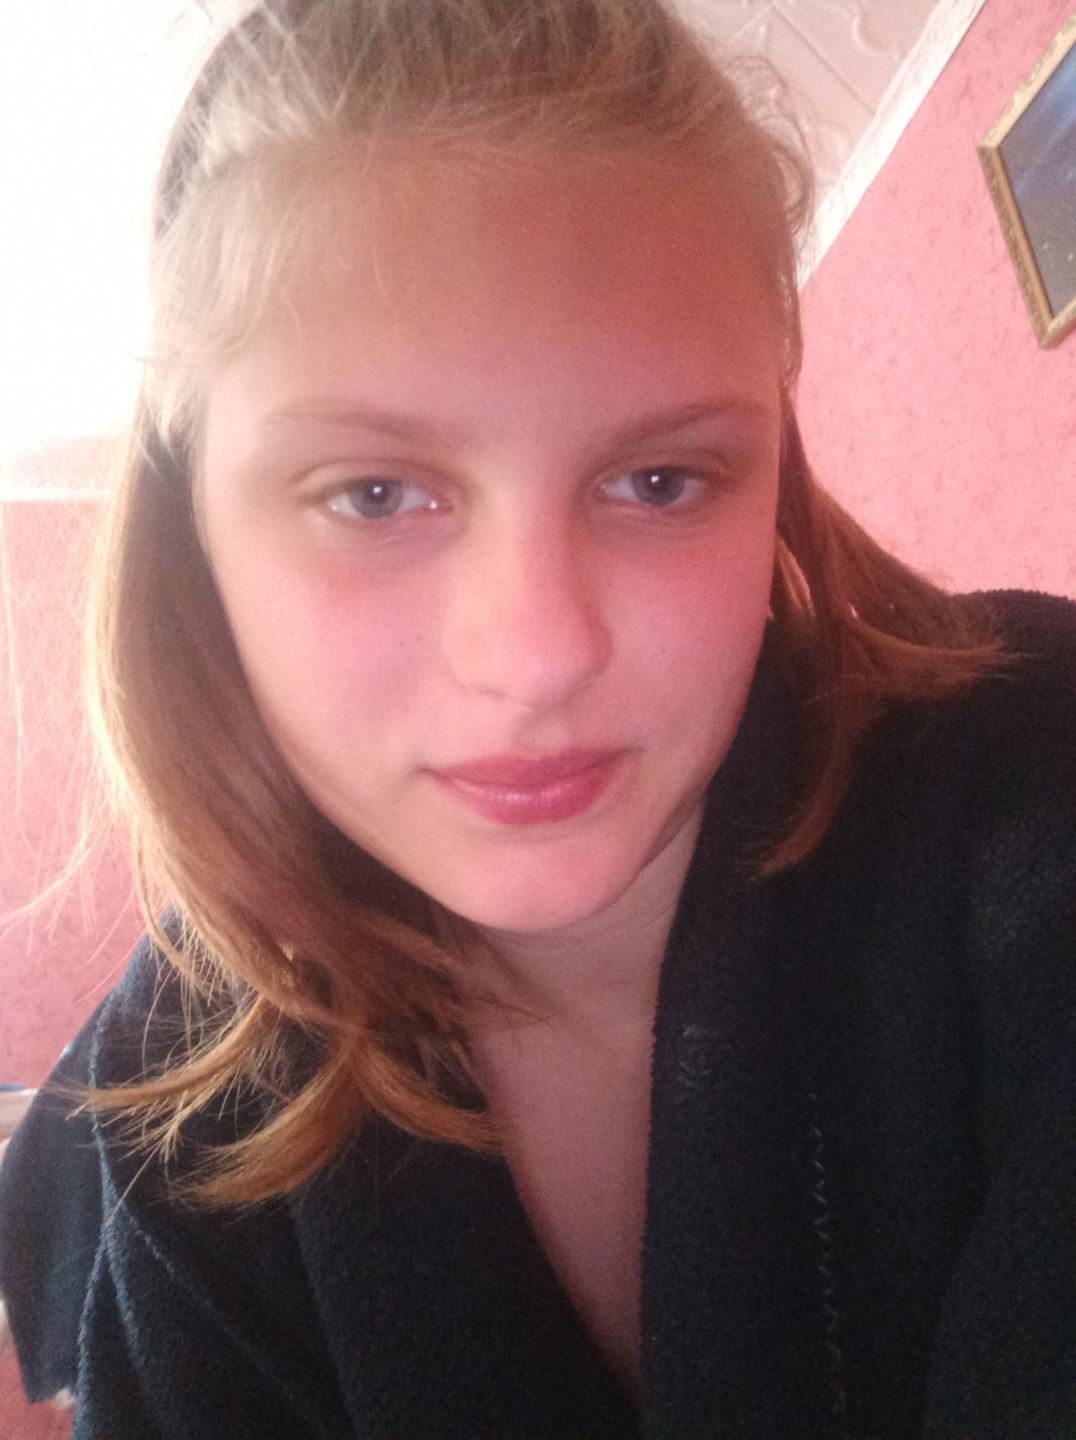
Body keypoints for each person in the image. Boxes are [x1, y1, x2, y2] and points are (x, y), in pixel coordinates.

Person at [1, 1, 1074, 1436]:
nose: (539, 654)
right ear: (195, 536)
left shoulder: (1037, 781)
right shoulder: (178, 1095)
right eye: (375, 494)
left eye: (661, 482)